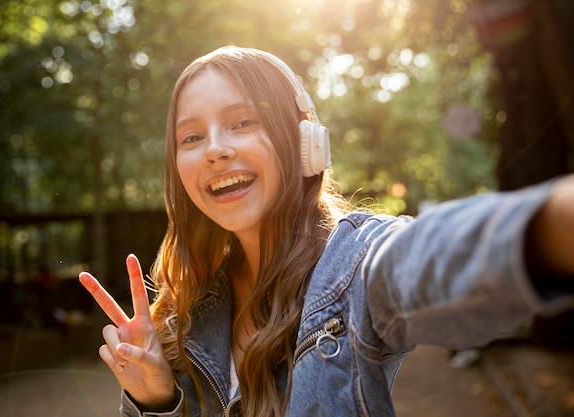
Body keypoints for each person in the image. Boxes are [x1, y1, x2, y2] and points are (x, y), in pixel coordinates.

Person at [79, 46, 574, 417]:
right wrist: (156, 400)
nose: (215, 149)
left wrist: (547, 224)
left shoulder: (356, 263)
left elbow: (430, 255)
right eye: (192, 136)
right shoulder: (189, 311)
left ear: (305, 143)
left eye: (242, 122)